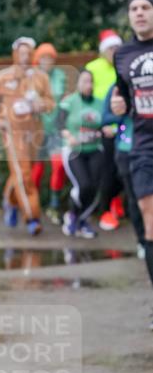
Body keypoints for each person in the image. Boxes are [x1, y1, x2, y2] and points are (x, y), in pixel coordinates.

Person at [110, 0, 153, 326]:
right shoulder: (122, 54)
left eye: (145, 7)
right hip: (143, 146)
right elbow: (122, 95)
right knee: (150, 223)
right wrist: (117, 104)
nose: (139, 13)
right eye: (134, 8)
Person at [0, 37, 54, 236]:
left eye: (28, 53)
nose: (25, 57)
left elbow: (50, 102)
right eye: (21, 53)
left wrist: (41, 104)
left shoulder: (40, 78)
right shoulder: (3, 77)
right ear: (15, 55)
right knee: (23, 174)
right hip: (12, 133)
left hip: (34, 132)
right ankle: (32, 218)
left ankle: (11, 201)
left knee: (23, 173)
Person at [58, 69, 104, 238]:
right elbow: (59, 123)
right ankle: (72, 215)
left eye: (90, 81)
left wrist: (106, 130)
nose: (88, 85)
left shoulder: (100, 104)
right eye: (84, 81)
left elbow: (111, 124)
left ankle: (81, 220)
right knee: (83, 185)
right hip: (74, 151)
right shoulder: (69, 102)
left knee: (94, 188)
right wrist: (68, 136)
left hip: (95, 149)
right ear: (77, 83)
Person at [102, 81, 145, 258]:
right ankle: (142, 241)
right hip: (126, 151)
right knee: (134, 198)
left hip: (147, 149)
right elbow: (105, 118)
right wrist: (123, 112)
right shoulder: (116, 88)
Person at [86, 30, 124, 231]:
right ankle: (105, 210)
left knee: (126, 168)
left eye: (117, 47)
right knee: (108, 169)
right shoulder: (93, 68)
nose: (114, 51)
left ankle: (116, 203)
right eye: (110, 48)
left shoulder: (125, 68)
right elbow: (86, 98)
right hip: (102, 126)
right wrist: (103, 125)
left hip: (124, 127)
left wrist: (119, 124)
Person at [31, 43, 67, 224]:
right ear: (38, 60)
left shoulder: (59, 76)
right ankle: (33, 203)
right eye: (44, 58)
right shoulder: (33, 77)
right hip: (38, 130)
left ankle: (54, 205)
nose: (47, 62)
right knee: (37, 169)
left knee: (58, 165)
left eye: (50, 58)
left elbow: (58, 99)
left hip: (55, 129)